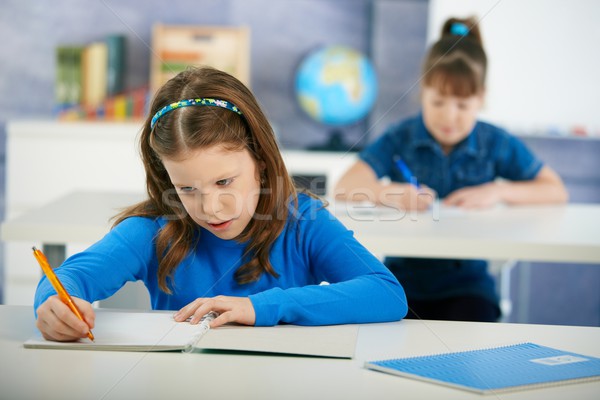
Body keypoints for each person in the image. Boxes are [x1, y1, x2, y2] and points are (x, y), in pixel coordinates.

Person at [34, 66, 407, 342]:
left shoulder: (303, 222)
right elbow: (70, 280)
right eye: (187, 188)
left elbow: (387, 293)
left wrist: (260, 307)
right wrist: (54, 304)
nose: (211, 208)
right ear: (168, 180)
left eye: (224, 182)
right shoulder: (152, 231)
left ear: (260, 161)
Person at [334, 17, 568, 322]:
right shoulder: (400, 136)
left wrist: (497, 191)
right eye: (438, 101)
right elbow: (344, 186)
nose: (449, 116)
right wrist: (388, 193)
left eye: (462, 105)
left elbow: (555, 190)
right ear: (423, 92)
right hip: (402, 282)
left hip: (468, 286)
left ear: (480, 99)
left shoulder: (494, 142)